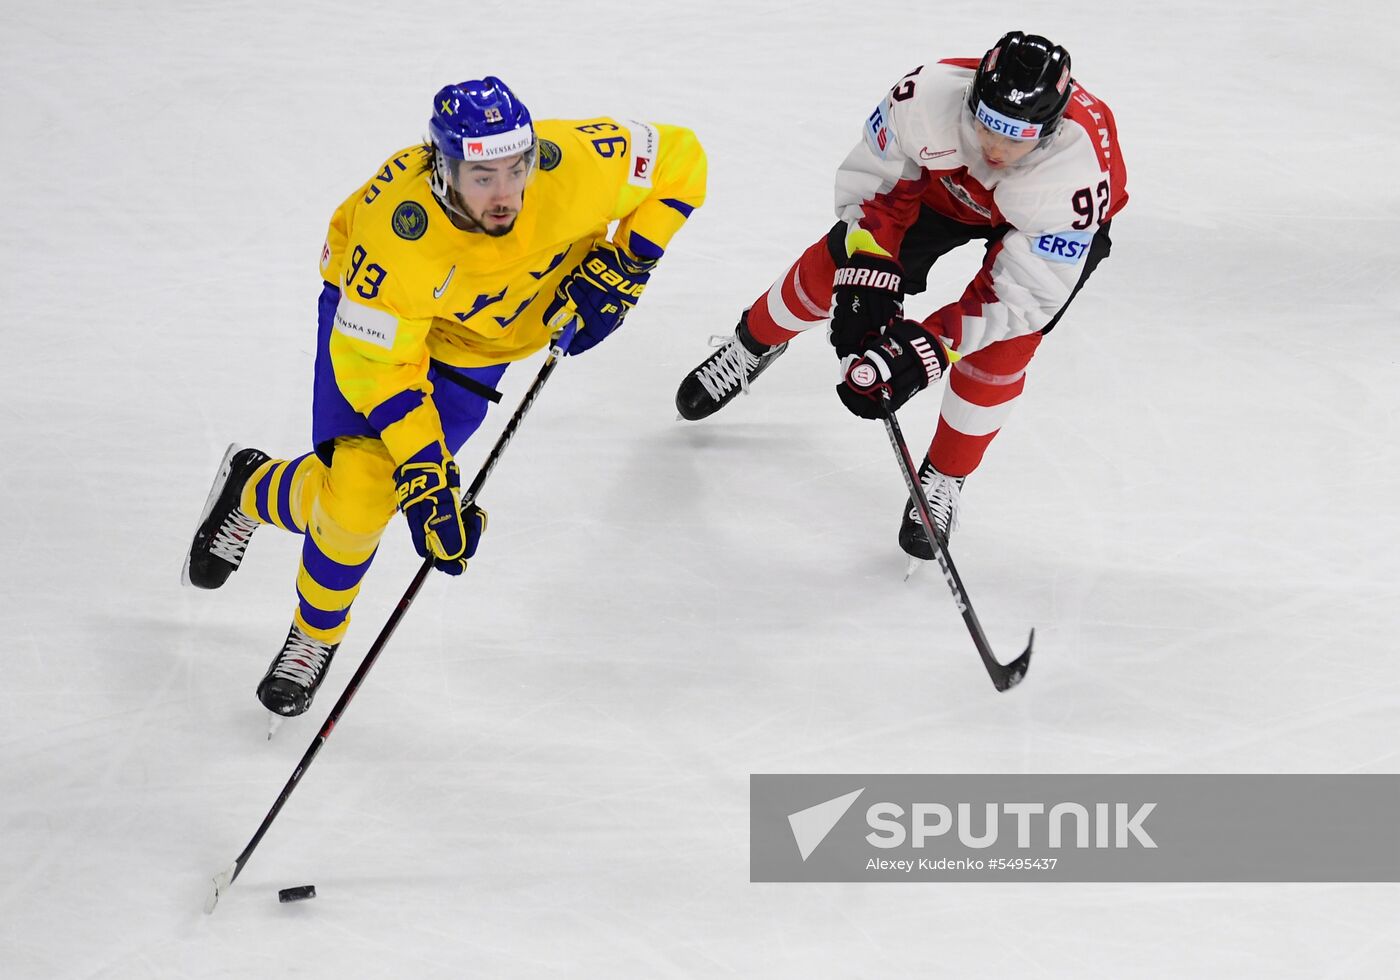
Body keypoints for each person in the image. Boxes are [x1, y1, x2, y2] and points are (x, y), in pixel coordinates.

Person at [182, 77, 706, 718]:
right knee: (365, 490)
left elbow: (682, 161)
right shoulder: (396, 236)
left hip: (478, 344)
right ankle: (316, 633)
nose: (506, 193)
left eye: (515, 169)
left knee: (368, 492)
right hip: (374, 334)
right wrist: (425, 468)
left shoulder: (572, 163)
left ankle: (250, 487)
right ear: (443, 170)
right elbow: (379, 369)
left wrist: (630, 262)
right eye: (483, 177)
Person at [675, 32, 1126, 562]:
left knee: (1004, 345)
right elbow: (876, 188)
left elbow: (1020, 298)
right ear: (972, 97)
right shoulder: (925, 96)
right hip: (945, 191)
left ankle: (946, 475)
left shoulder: (1077, 176)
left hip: (1041, 230)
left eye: (1017, 137)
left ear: (1049, 132)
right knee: (837, 266)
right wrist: (869, 270)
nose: (995, 149)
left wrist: (928, 347)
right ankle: (752, 344)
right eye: (986, 124)